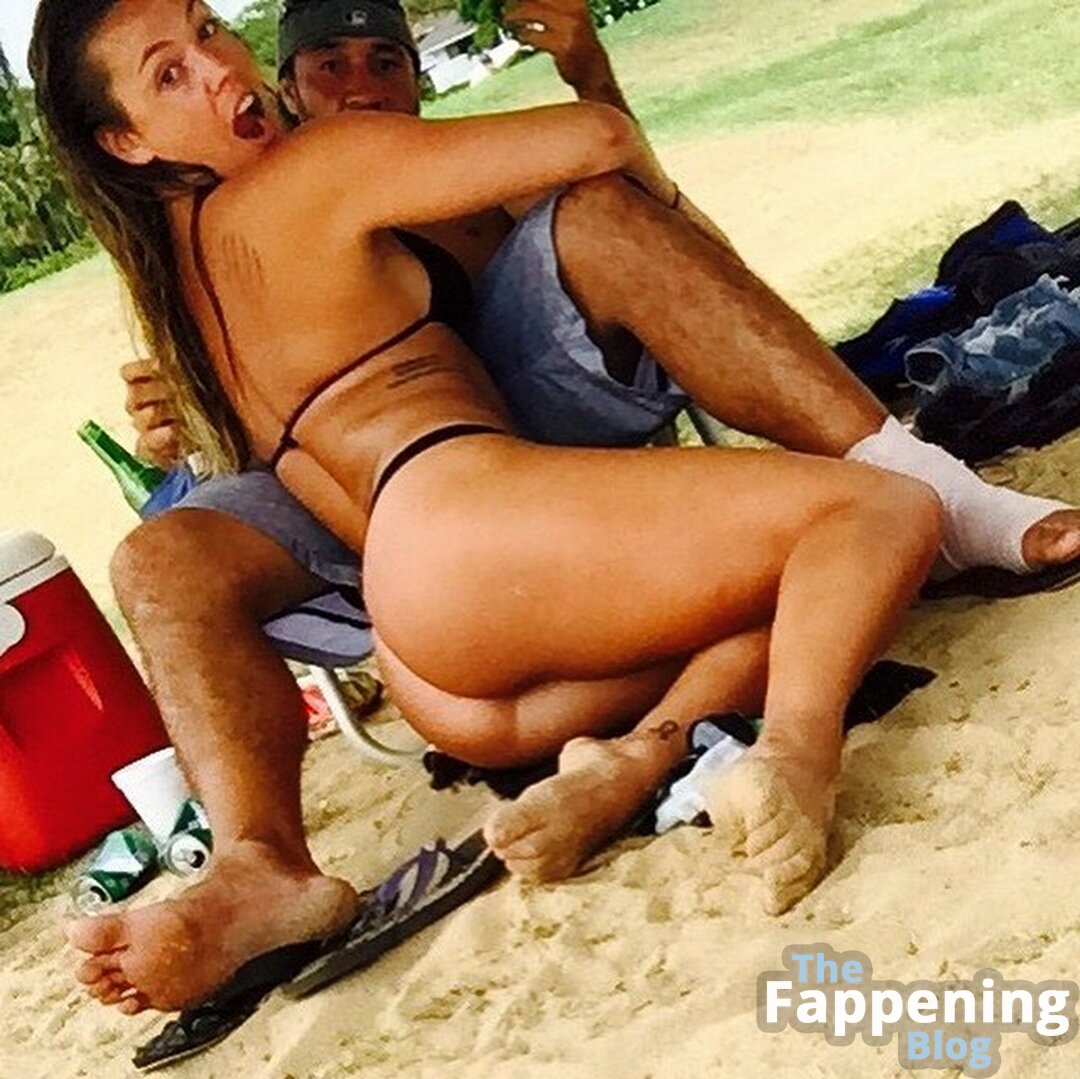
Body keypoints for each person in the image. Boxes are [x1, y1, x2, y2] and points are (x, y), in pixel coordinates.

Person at [30, 0, 1076, 1018]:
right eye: (171, 73)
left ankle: (631, 759)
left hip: (435, 662)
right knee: (881, 512)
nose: (220, 67)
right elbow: (598, 139)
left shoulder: (182, 274)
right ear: (127, 139)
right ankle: (796, 756)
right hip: (465, 523)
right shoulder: (320, 168)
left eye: (209, 30)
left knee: (792, 596)